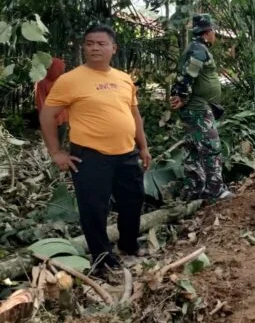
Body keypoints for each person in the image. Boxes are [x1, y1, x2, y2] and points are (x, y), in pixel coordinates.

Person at [39, 24, 151, 275]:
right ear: (84, 48)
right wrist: (56, 152)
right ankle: (103, 260)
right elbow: (47, 115)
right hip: (90, 156)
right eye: (89, 44)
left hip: (127, 153)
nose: (95, 48)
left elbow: (134, 115)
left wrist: (143, 147)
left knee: (133, 202)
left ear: (114, 48)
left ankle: (129, 245)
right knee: (94, 209)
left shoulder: (124, 78)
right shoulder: (70, 80)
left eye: (101, 43)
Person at [170, 14, 233, 201]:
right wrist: (181, 95)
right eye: (214, 31)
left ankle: (195, 189)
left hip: (196, 109)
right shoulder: (198, 50)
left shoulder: (196, 47)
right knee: (211, 147)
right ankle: (216, 190)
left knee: (193, 149)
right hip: (198, 110)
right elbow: (188, 74)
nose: (215, 35)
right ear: (208, 32)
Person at [35, 57, 69, 144]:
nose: (61, 71)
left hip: (63, 118)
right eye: (60, 69)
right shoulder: (42, 82)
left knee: (59, 144)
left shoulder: (62, 80)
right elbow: (40, 102)